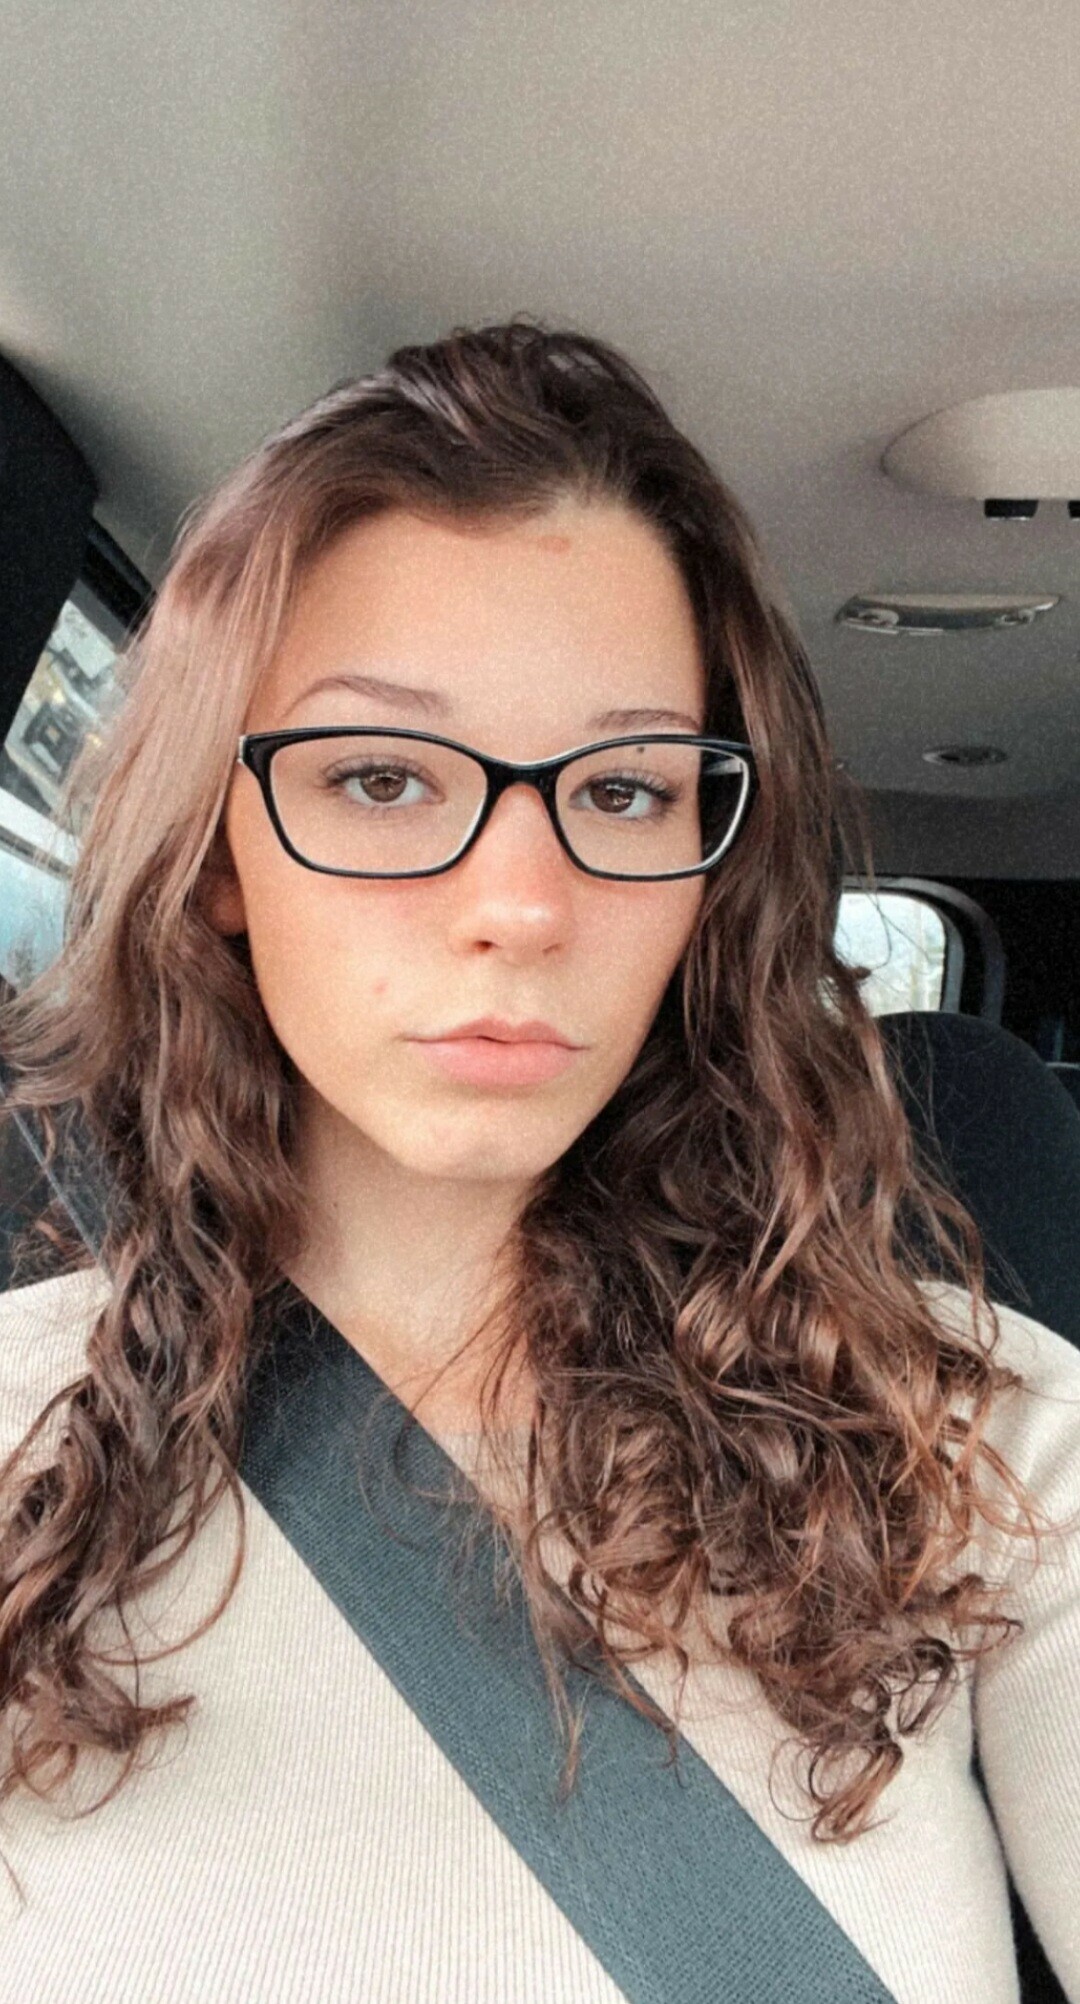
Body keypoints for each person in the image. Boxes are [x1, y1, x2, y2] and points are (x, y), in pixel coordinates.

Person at [0, 317, 1077, 2004]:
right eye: (378, 777)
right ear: (216, 855)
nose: (521, 905)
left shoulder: (990, 1451)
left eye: (630, 792)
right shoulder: (18, 1440)